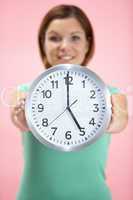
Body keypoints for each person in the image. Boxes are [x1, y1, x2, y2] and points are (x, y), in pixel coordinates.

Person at [10, 4, 128, 200]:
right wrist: (21, 117)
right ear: (43, 43)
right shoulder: (23, 93)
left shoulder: (111, 94)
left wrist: (113, 118)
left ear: (87, 43)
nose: (64, 46)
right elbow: (18, 120)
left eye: (75, 37)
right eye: (54, 38)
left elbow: (120, 121)